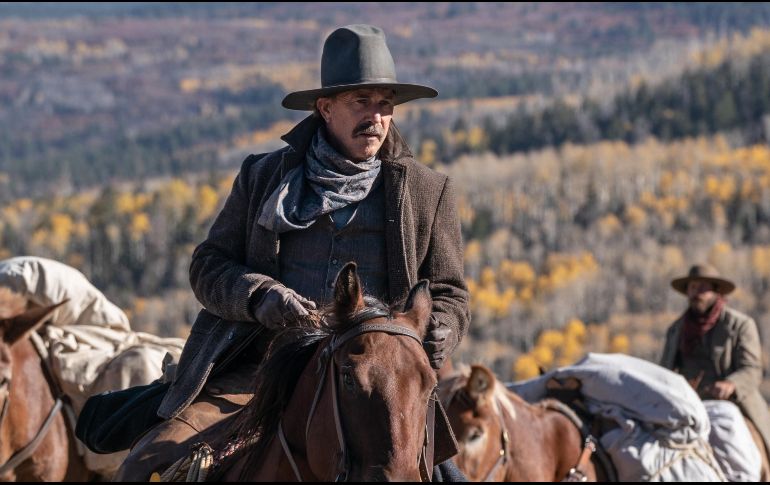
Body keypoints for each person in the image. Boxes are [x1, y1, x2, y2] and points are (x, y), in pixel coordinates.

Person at [116, 24, 469, 480]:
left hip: (378, 380)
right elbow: (208, 265)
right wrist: (260, 296)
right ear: (325, 108)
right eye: (361, 101)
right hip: (262, 372)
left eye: (385, 104)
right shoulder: (263, 176)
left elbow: (449, 292)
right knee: (146, 464)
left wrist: (439, 330)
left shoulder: (427, 191)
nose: (376, 117)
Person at [660, 263, 770, 461]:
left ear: (716, 291)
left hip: (733, 404)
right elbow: (665, 372)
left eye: (702, 288)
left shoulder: (740, 325)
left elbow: (752, 369)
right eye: (692, 287)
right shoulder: (676, 330)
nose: (696, 293)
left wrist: (731, 385)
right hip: (689, 407)